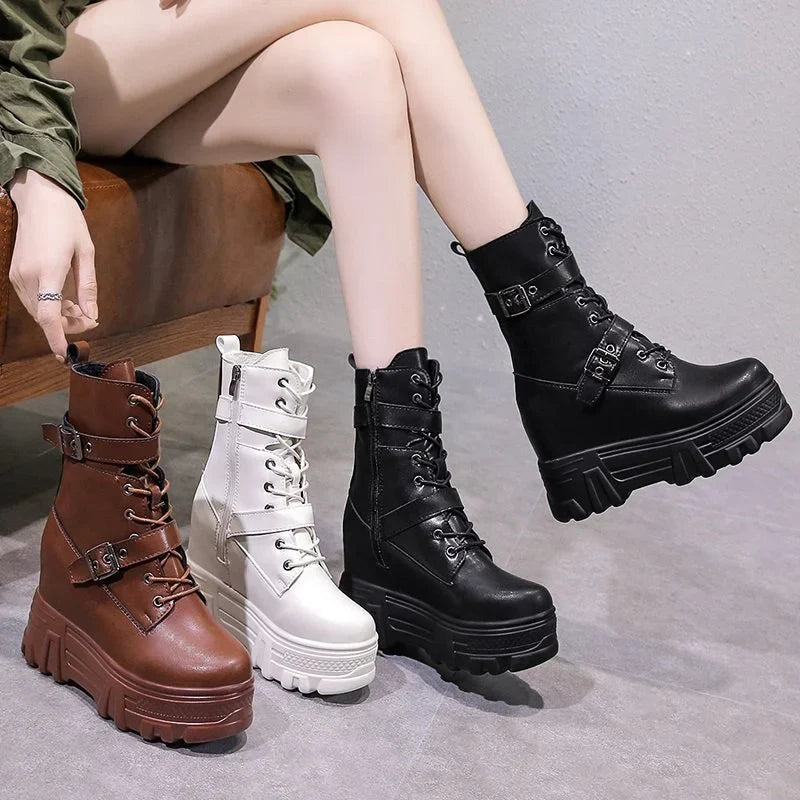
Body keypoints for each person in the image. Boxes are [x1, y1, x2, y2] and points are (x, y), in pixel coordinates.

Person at [2, 1, 790, 676]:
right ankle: (564, 341)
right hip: (38, 56)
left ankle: (398, 504)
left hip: (143, 55)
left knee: (356, 69)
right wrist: (35, 171)